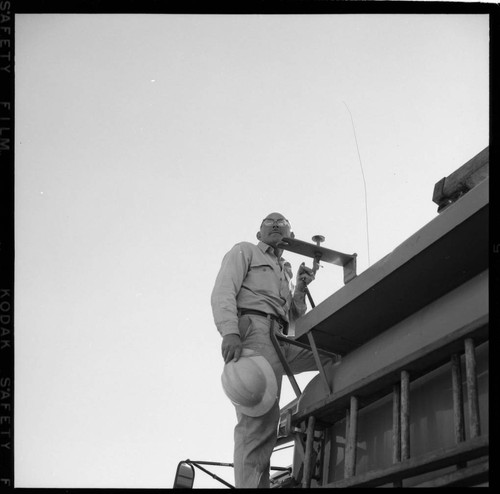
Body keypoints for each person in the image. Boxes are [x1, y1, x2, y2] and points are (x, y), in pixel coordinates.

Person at [211, 212, 335, 488]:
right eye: (270, 222)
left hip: (281, 337)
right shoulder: (246, 251)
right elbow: (223, 291)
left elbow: (293, 317)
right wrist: (229, 331)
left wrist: (300, 288)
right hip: (254, 332)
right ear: (259, 234)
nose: (277, 224)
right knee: (259, 424)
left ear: (290, 236)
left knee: (332, 357)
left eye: (283, 223)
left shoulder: (284, 270)